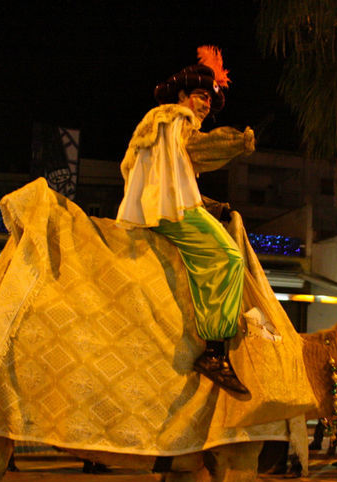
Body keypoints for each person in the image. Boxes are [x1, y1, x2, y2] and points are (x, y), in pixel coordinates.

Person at [115, 46, 255, 396]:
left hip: (158, 208)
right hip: (169, 212)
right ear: (182, 96)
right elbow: (200, 150)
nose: (206, 105)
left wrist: (212, 206)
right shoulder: (176, 119)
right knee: (227, 257)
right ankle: (214, 351)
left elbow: (171, 179)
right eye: (200, 96)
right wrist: (237, 142)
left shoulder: (159, 125)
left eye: (210, 99)